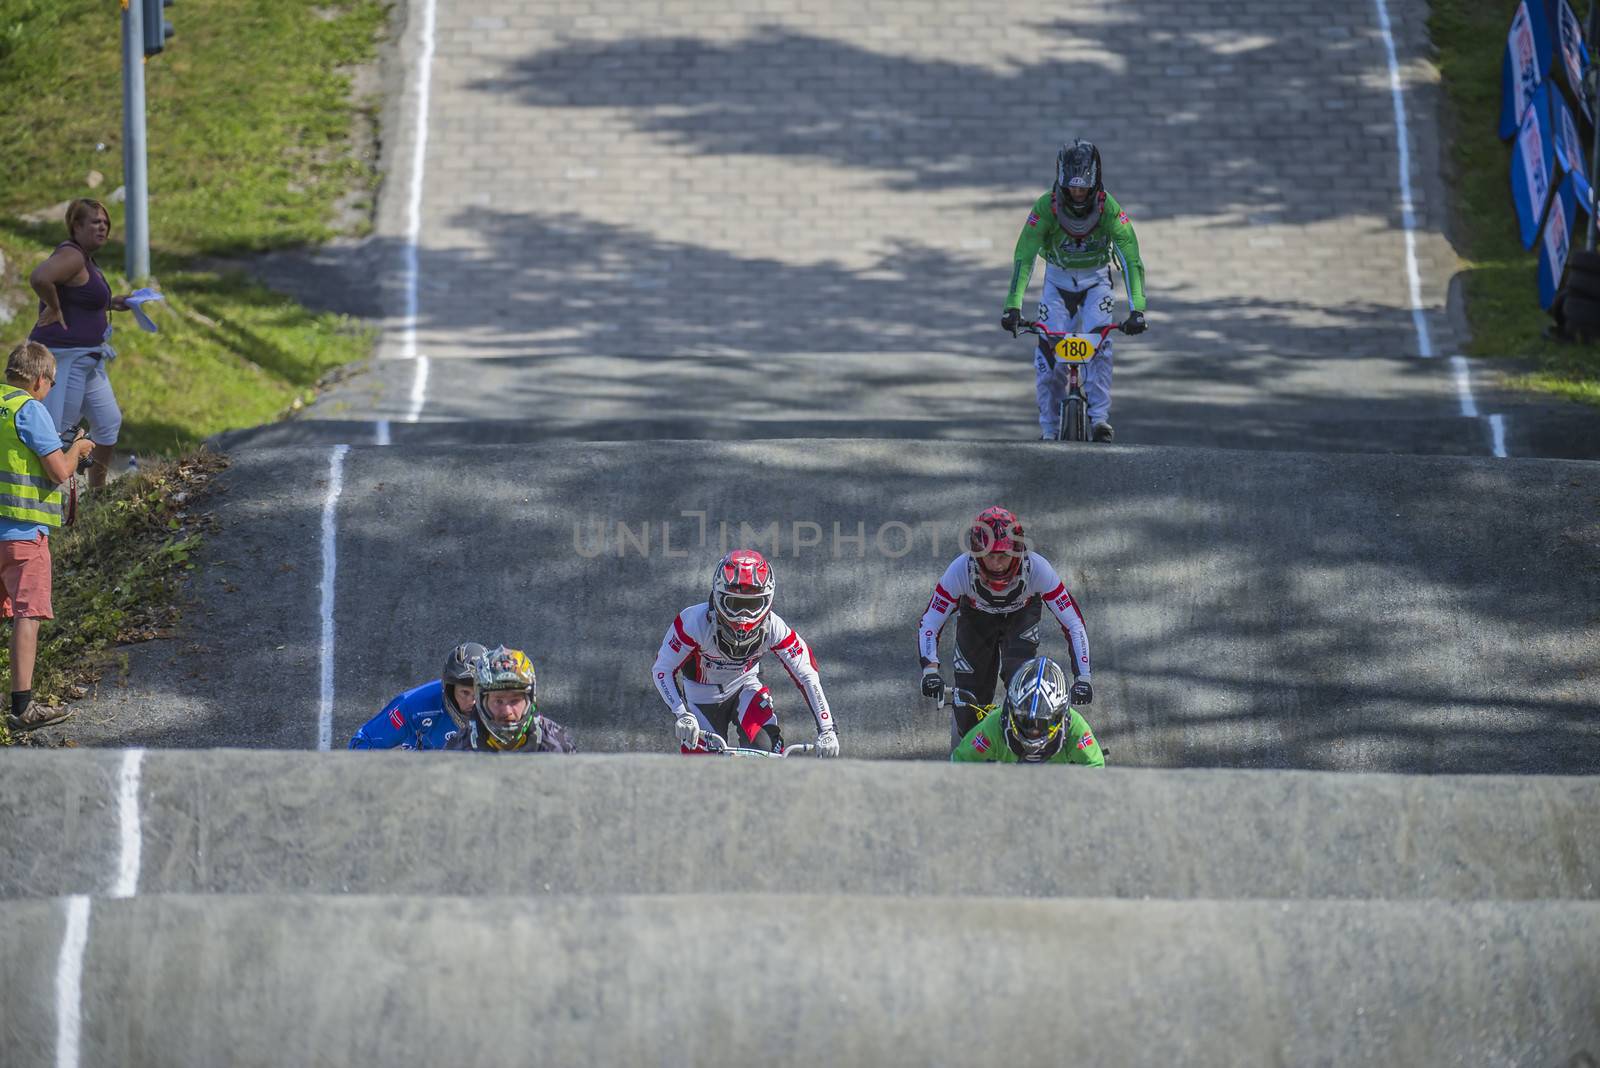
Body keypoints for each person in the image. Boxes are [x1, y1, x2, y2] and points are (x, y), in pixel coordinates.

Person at [1001, 139, 1147, 442]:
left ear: (1095, 184)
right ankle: (1048, 429)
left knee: (1100, 347)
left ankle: (1099, 420)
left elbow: (1131, 259)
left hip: (1096, 282)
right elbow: (1024, 255)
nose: (1077, 194)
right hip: (1057, 283)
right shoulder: (1044, 207)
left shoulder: (1111, 209)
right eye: (1071, 188)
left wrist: (1137, 309)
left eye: (1083, 188)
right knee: (1047, 357)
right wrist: (1013, 306)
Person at [917, 506, 1092, 750]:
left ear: (1018, 552)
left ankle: (1024, 752)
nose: (997, 564)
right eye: (990, 556)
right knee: (968, 700)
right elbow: (930, 623)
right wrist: (930, 670)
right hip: (977, 620)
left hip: (1020, 618)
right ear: (976, 554)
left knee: (1025, 692)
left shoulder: (1038, 569)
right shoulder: (960, 570)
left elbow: (1073, 623)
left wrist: (1083, 676)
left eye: (1004, 556)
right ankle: (967, 754)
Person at [651, 549, 840, 756]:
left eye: (752, 604)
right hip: (701, 695)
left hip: (745, 687)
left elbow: (807, 674)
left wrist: (827, 729)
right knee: (700, 765)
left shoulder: (775, 627)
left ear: (767, 600)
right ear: (718, 596)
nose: (743, 616)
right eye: (735, 604)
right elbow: (662, 669)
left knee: (767, 750)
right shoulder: (693, 622)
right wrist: (682, 714)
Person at [0, 342, 95, 732]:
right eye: (51, 384)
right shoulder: (30, 409)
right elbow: (58, 471)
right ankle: (22, 707)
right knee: (28, 615)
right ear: (40, 379)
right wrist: (77, 449)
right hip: (23, 533)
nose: (50, 390)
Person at [28, 198, 130, 489]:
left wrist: (113, 302)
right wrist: (53, 307)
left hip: (89, 359)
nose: (103, 227)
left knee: (108, 422)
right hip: (65, 358)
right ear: (77, 226)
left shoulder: (85, 259)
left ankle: (97, 492)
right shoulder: (72, 255)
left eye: (106, 223)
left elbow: (81, 297)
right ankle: (48, 498)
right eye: (95, 222)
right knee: (58, 433)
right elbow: (39, 277)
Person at [952, 656, 1105, 765]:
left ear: (1060, 716)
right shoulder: (993, 726)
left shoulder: (1075, 728)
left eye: (1042, 723)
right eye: (1025, 720)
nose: (1033, 731)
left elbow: (1095, 768)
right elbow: (960, 761)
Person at [348, 641, 485, 750]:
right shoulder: (414, 707)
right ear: (450, 690)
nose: (472, 702)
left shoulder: (502, 707)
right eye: (465, 693)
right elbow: (363, 743)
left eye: (479, 692)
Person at [443, 645, 577, 753]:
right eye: (498, 701)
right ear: (481, 702)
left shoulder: (559, 744)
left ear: (530, 699)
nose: (507, 711)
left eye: (515, 701)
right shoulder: (457, 749)